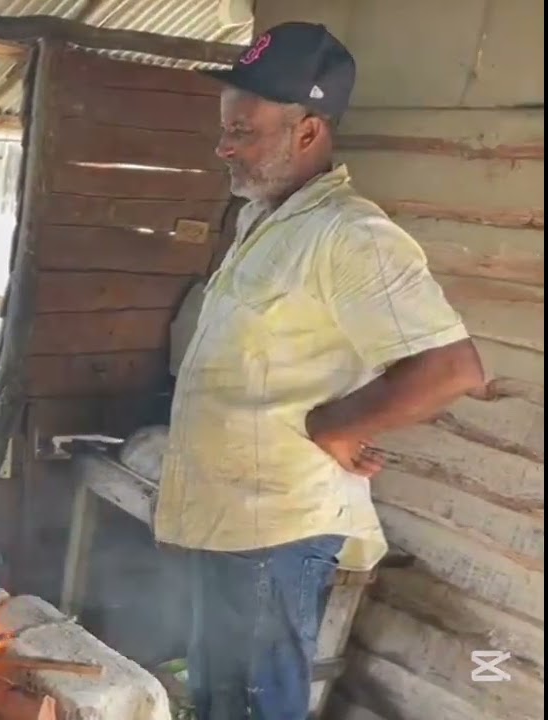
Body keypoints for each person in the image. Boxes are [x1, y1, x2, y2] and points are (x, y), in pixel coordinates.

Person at [153, 22, 487, 720]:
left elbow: (451, 365)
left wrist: (337, 425)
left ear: (307, 132)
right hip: (227, 520)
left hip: (274, 533)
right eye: (225, 128)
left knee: (252, 707)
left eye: (242, 130)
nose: (224, 146)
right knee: (217, 701)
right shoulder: (264, 223)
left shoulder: (349, 235)